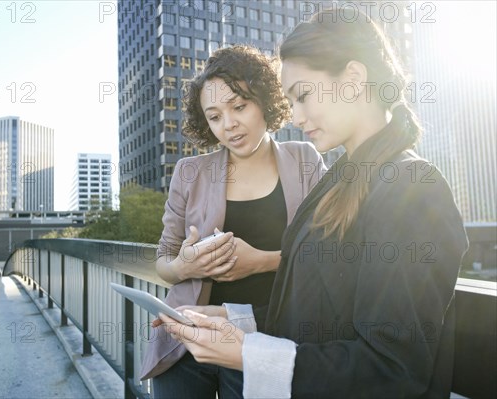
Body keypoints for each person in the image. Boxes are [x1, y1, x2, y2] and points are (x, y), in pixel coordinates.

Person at [159, 10, 469, 398]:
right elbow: (322, 311)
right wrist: (235, 320)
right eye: (291, 101)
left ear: (354, 78)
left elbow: (393, 369)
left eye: (303, 96)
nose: (297, 116)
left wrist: (247, 351)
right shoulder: (339, 182)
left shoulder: (411, 189)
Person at [141, 45, 326, 398]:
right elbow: (163, 263)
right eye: (214, 116)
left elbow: (327, 254)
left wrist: (261, 262)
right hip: (189, 334)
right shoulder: (189, 172)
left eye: (239, 107)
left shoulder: (304, 160)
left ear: (265, 101)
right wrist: (183, 265)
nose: (229, 125)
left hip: (263, 338)